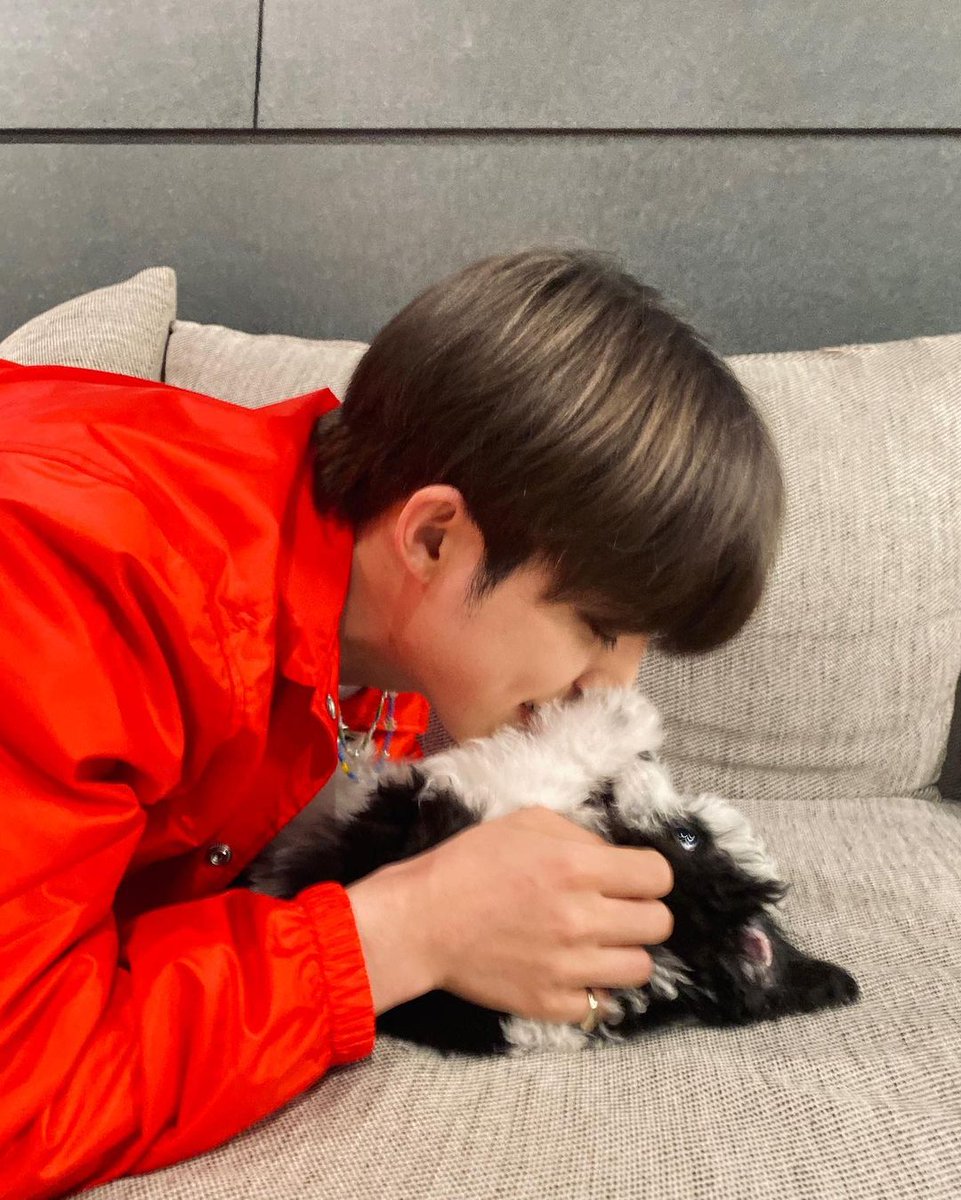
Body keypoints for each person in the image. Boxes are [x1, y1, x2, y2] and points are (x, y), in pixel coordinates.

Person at [0, 247, 784, 1199]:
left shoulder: (388, 648)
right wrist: (405, 930)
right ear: (433, 536)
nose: (611, 689)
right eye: (599, 626)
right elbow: (17, 1098)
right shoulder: (72, 592)